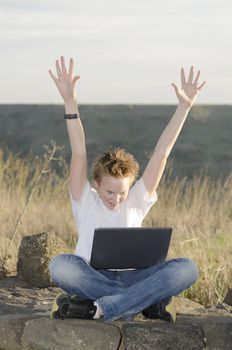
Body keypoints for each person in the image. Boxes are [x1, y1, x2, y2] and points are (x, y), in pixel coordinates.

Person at [48, 56, 206, 322]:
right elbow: (78, 153)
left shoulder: (137, 198)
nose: (116, 199)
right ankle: (144, 301)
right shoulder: (84, 199)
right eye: (109, 192)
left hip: (137, 275)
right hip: (92, 276)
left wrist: (184, 107)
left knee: (187, 269)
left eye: (122, 192)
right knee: (61, 266)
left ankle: (101, 308)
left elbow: (162, 153)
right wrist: (69, 101)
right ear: (96, 184)